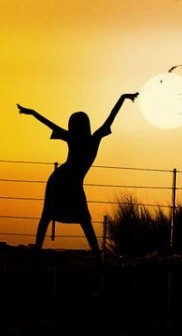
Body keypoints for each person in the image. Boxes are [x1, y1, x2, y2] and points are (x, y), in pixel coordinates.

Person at [20, 92, 134, 253]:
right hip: (64, 181)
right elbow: (111, 118)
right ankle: (94, 254)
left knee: (58, 215)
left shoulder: (77, 138)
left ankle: (40, 250)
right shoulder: (93, 139)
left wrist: (32, 113)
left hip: (61, 180)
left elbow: (50, 125)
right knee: (76, 218)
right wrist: (123, 98)